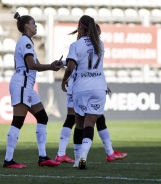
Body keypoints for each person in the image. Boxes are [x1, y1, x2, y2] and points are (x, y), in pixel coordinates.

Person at [55, 24, 127, 166]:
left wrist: (62, 63)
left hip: (78, 88)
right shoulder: (97, 44)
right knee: (84, 121)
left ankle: (78, 156)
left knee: (83, 121)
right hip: (87, 87)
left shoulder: (77, 45)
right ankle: (67, 154)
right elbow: (84, 65)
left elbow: (75, 63)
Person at [2, 12, 62, 169]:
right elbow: (31, 65)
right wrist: (50, 67)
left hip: (26, 86)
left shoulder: (27, 42)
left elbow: (37, 66)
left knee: (42, 117)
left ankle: (43, 157)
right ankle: (8, 160)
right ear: (27, 26)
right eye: (34, 23)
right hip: (21, 84)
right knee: (18, 121)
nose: (36, 26)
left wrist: (54, 65)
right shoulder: (25, 42)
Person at [60, 15, 110, 170]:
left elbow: (70, 67)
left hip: (81, 88)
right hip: (99, 88)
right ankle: (83, 157)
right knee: (90, 124)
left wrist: (64, 80)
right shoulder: (100, 44)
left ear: (80, 27)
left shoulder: (75, 45)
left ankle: (77, 160)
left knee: (79, 124)